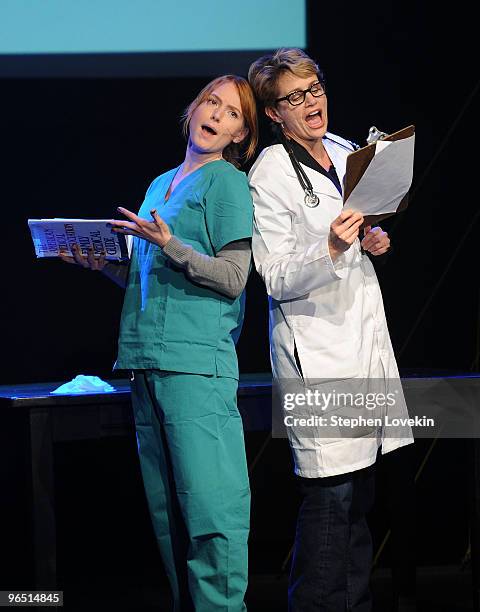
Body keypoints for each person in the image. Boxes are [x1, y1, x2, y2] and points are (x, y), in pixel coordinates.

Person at [61, 74, 258, 611]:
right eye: (211, 102)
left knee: (210, 513)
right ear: (194, 108)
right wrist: (103, 265)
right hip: (146, 363)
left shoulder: (227, 184)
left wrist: (171, 245)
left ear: (241, 134)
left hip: (195, 367)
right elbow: (146, 279)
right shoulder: (160, 184)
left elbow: (234, 277)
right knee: (168, 515)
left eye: (232, 113)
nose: (216, 115)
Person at [247, 48, 413, 611]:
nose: (311, 102)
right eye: (294, 96)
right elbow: (273, 275)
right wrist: (334, 246)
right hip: (316, 357)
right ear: (274, 113)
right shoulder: (270, 171)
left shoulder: (346, 151)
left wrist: (372, 244)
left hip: (364, 348)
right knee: (330, 501)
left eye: (314, 88)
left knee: (359, 497)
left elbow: (362, 237)